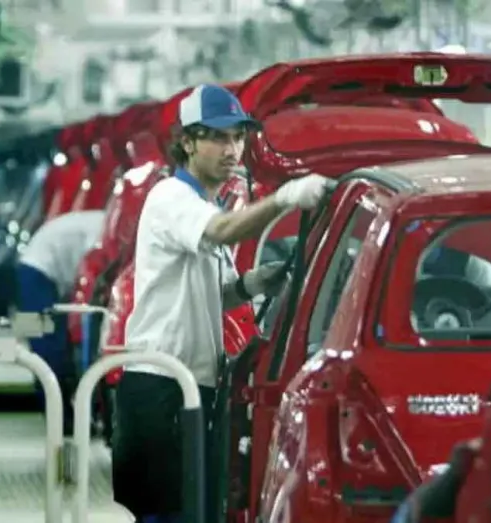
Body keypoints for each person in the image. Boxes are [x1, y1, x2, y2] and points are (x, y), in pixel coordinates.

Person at [112, 83, 329, 523]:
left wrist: (251, 284)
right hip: (161, 387)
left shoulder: (203, 203)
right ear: (188, 142)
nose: (232, 150)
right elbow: (222, 231)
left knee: (193, 511)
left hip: (192, 387)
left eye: (238, 137)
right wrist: (285, 197)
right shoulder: (172, 197)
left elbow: (217, 293)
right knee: (167, 515)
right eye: (218, 137)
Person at [16, 209, 106, 434]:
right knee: (44, 347)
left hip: (35, 268)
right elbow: (90, 271)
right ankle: (59, 419)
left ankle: (61, 415)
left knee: (50, 346)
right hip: (35, 272)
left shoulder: (100, 221)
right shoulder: (102, 230)